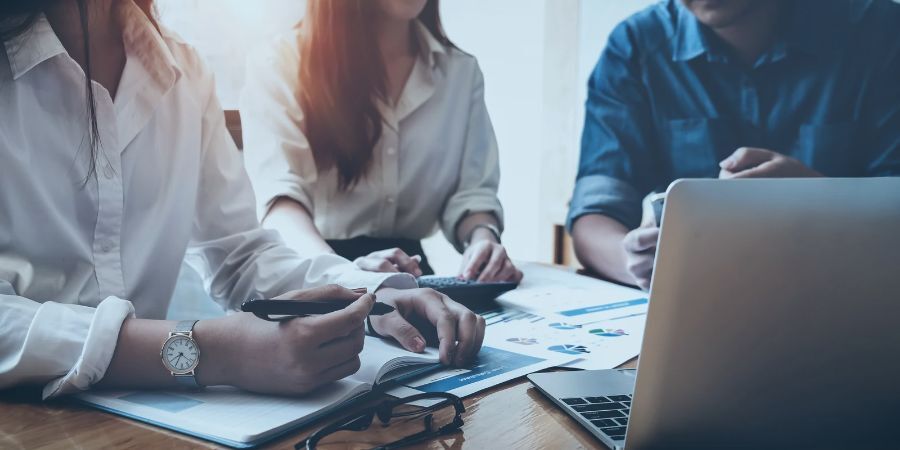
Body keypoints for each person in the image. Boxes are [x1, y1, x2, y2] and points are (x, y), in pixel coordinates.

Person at [0, 0, 485, 399]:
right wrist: (209, 350)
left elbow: (238, 252)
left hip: (145, 417)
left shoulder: (182, 70)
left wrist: (371, 294)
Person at [568, 0, 900, 290]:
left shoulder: (883, 33)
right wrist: (634, 262)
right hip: (699, 307)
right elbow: (595, 212)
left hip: (855, 298)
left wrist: (820, 201)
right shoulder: (636, 45)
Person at [240, 0, 522, 283]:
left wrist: (483, 239)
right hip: (313, 267)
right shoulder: (280, 62)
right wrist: (343, 274)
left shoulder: (460, 72)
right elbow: (280, 203)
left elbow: (471, 194)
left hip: (409, 273)